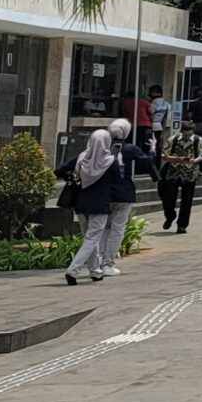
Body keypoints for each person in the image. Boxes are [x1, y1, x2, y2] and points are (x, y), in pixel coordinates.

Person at [64, 121, 141, 284]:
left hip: (80, 203)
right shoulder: (110, 161)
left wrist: (77, 180)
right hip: (99, 204)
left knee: (88, 238)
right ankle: (74, 269)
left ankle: (95, 270)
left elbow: (62, 170)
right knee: (92, 239)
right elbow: (117, 180)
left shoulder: (82, 157)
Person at [157, 123, 202, 233]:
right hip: (173, 171)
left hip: (190, 173)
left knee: (187, 200)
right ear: (181, 132)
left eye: (189, 135)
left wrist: (194, 160)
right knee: (168, 197)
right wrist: (177, 159)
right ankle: (170, 216)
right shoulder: (172, 140)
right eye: (185, 135)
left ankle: (182, 225)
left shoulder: (198, 140)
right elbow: (164, 156)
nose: (187, 137)